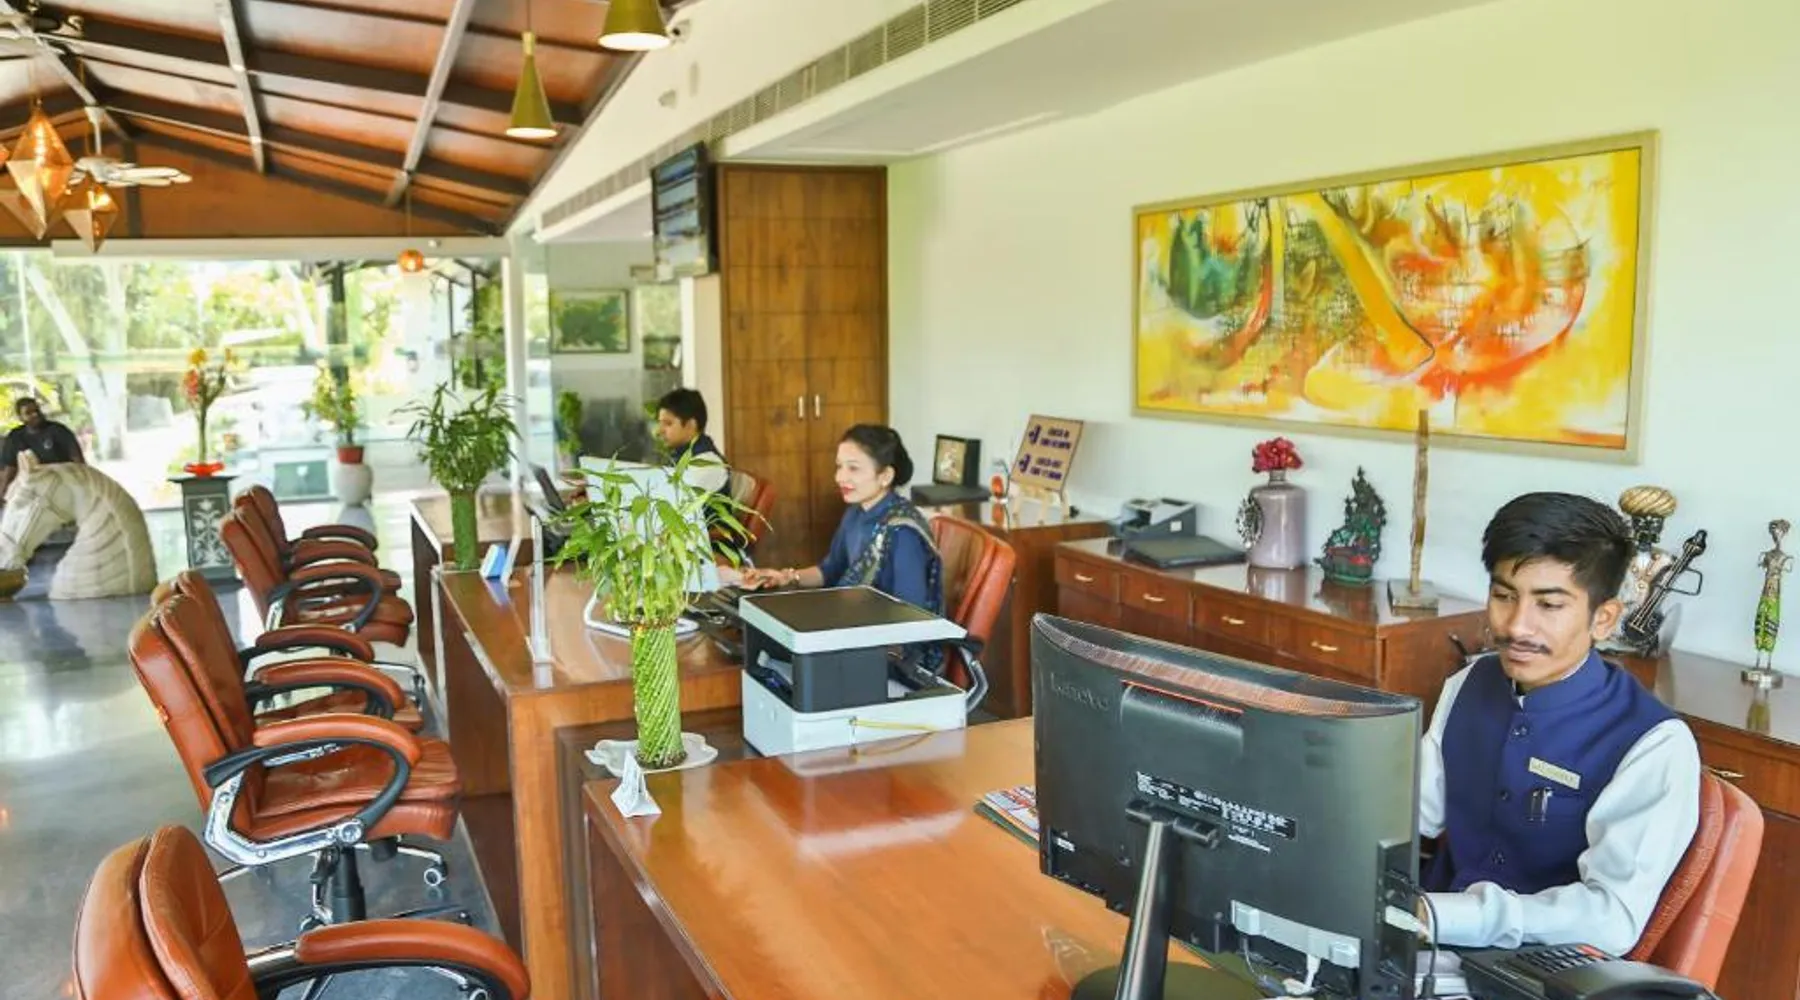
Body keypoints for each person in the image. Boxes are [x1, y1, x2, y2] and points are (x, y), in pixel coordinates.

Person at [1419, 492, 1700, 955]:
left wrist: (1444, 915)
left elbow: (1612, 918)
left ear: (1603, 618)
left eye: (1549, 605)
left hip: (1544, 970)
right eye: (1503, 596)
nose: (1517, 626)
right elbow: (1411, 813)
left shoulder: (1653, 743)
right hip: (1428, 944)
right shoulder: (1469, 684)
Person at [740, 424, 942, 615]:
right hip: (854, 619)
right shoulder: (855, 512)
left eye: (853, 468)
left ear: (885, 476)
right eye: (839, 466)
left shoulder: (903, 532)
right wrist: (786, 577)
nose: (840, 477)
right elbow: (829, 571)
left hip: (889, 634)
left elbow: (911, 614)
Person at [0, 397, 84, 500]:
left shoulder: (58, 430)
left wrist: (81, 483)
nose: (35, 414)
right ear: (20, 418)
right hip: (33, 486)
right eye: (28, 413)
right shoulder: (15, 436)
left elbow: (78, 460)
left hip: (61, 481)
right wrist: (3, 492)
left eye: (37, 410)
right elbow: (10, 468)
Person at [654, 388, 729, 495]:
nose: (659, 431)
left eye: (668, 423)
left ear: (691, 425)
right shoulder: (680, 456)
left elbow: (672, 498)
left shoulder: (707, 463)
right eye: (660, 423)